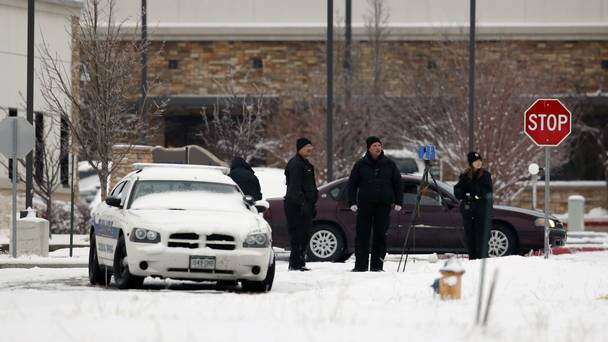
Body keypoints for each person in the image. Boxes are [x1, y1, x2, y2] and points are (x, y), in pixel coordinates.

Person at [347, 136, 403, 272]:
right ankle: (360, 265)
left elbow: (398, 184)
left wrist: (398, 201)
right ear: (369, 148)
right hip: (365, 204)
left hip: (383, 205)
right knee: (362, 235)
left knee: (380, 234)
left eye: (379, 145)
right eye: (374, 146)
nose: (377, 148)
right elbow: (352, 184)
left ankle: (377, 266)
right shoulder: (360, 164)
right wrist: (352, 202)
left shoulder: (389, 164)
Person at [284, 137, 318, 271]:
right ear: (299, 149)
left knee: (305, 235)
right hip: (296, 206)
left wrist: (312, 204)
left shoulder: (306, 163)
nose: (310, 149)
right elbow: (294, 188)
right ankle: (295, 263)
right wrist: (303, 203)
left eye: (311, 146)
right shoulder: (296, 164)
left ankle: (300, 261)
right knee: (297, 235)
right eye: (306, 146)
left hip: (306, 205)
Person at [453, 151, 493, 260]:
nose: (478, 163)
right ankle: (472, 259)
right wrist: (464, 195)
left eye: (480, 161)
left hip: (481, 211)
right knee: (470, 237)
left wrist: (473, 192)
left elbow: (487, 192)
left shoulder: (485, 175)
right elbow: (458, 190)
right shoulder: (465, 175)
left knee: (481, 238)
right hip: (469, 211)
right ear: (471, 163)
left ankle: (482, 259)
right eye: (476, 161)